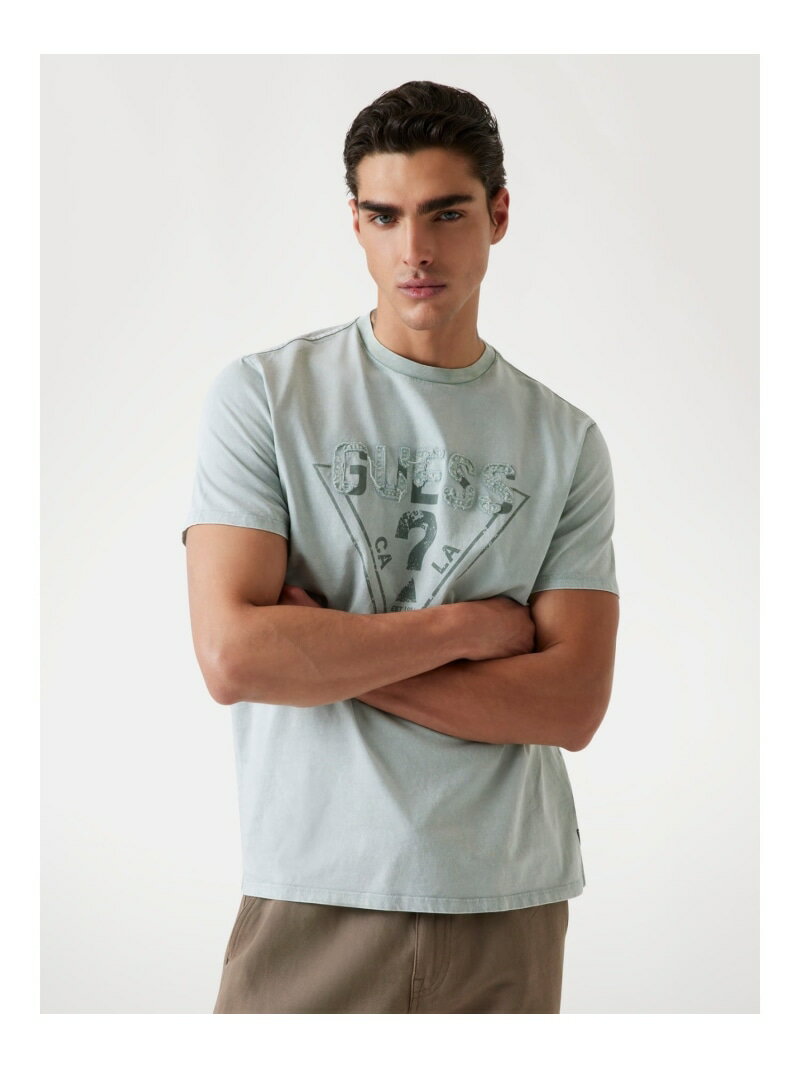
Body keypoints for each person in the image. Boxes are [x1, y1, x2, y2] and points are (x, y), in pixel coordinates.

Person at [181, 80, 620, 1014]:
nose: (414, 249)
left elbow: (573, 703)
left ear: (499, 215)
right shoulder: (265, 399)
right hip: (316, 888)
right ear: (356, 223)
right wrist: (466, 629)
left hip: (510, 899)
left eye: (446, 213)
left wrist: (326, 654)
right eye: (384, 216)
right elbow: (234, 657)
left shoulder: (566, 440)